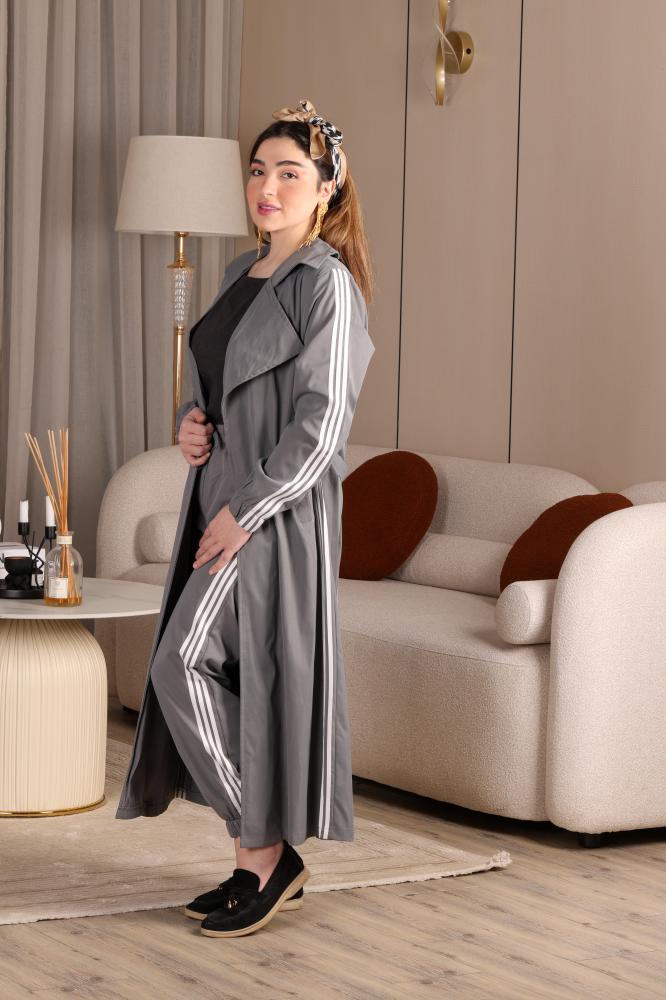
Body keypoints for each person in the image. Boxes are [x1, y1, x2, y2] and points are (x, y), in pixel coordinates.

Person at [118, 98, 375, 938]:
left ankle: (268, 852)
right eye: (259, 171)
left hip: (270, 519)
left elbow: (322, 426)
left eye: (289, 173)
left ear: (327, 188)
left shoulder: (327, 284)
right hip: (217, 500)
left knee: (179, 664)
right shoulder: (238, 272)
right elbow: (219, 384)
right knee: (222, 675)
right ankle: (251, 860)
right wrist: (190, 425)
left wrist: (246, 511)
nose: (267, 187)